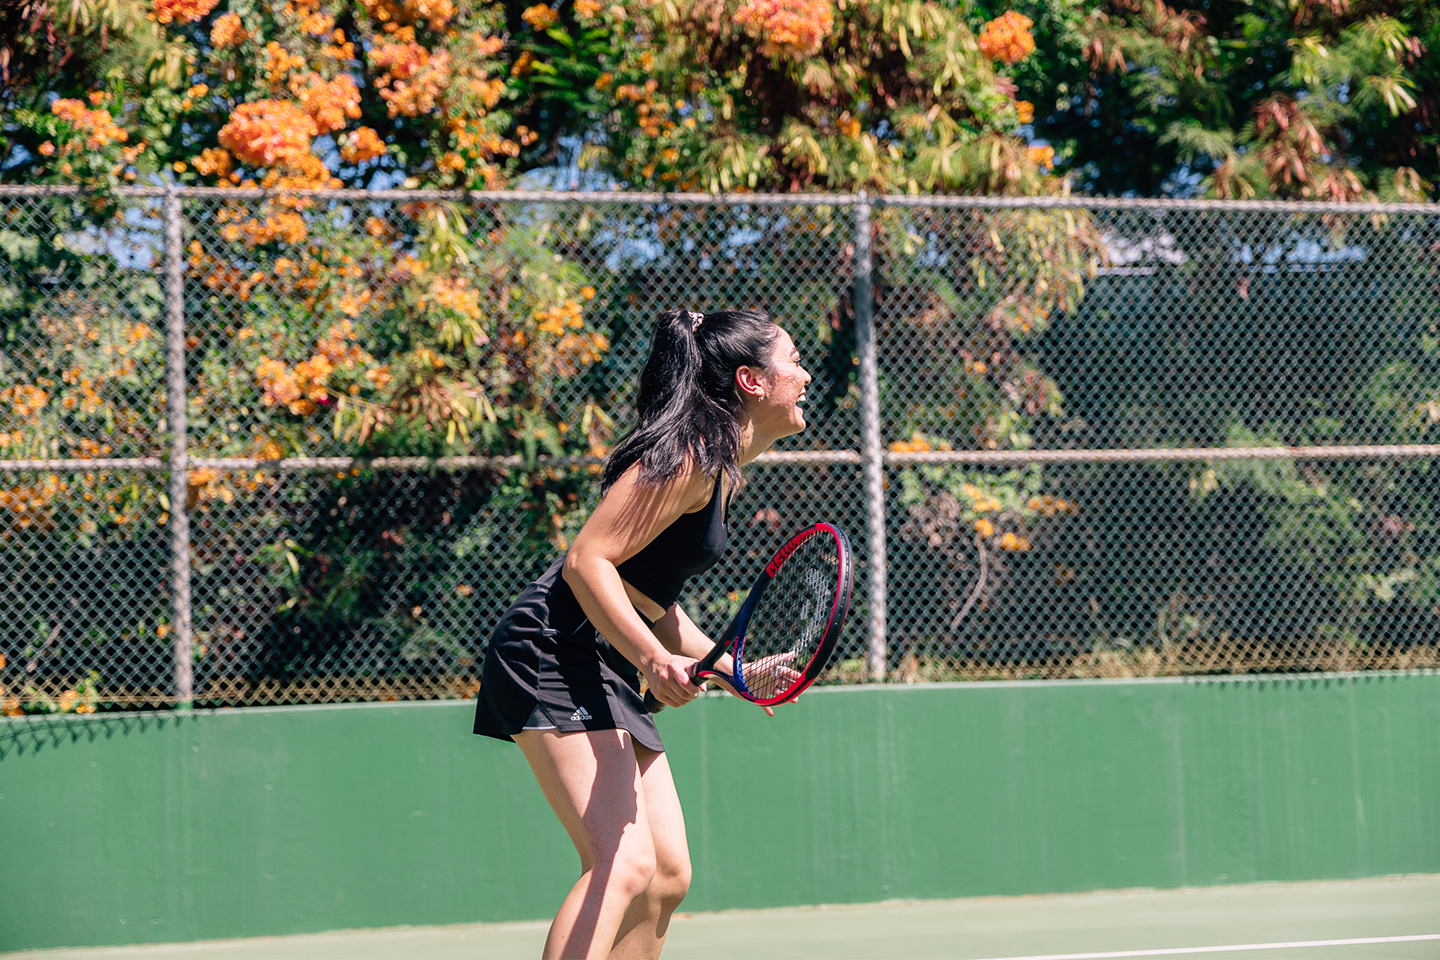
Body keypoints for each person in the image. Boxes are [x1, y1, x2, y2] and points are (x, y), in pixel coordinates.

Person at [473, 307, 812, 959]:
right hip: (552, 646)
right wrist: (651, 657)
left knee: (664, 878)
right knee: (623, 862)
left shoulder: (719, 468)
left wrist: (727, 667)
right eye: (792, 360)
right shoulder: (689, 452)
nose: (804, 375)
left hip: (601, 658)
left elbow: (652, 602)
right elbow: (585, 560)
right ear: (750, 380)